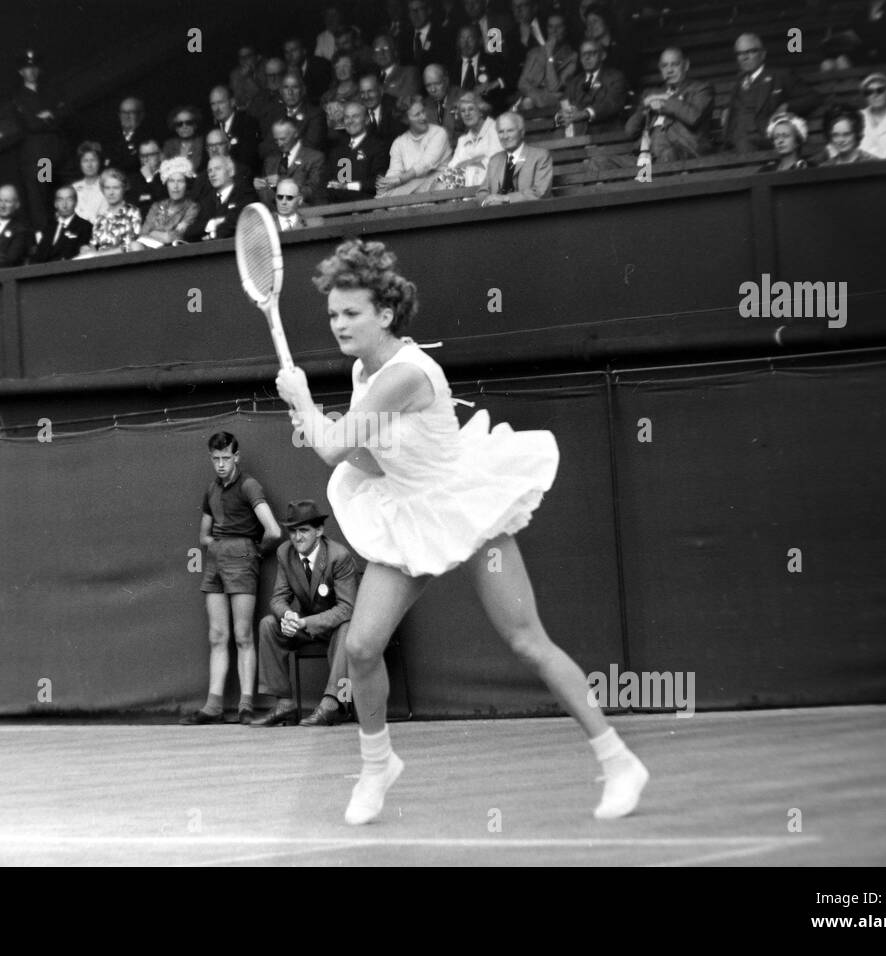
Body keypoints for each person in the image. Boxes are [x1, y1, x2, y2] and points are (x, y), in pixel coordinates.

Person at [275, 239, 649, 825]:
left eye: (352, 313)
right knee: (362, 646)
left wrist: (304, 404)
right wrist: (317, 422)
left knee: (527, 641)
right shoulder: (361, 371)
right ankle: (377, 765)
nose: (340, 324)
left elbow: (332, 449)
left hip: (463, 511)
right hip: (408, 512)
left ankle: (618, 758)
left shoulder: (404, 374)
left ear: (385, 315)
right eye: (332, 314)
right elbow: (368, 459)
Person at [184, 432, 284, 725]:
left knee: (243, 635)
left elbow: (274, 531)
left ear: (236, 457)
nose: (220, 464)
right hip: (215, 562)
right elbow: (203, 534)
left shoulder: (249, 485)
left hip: (242, 559)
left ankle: (246, 705)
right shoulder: (211, 489)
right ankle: (213, 707)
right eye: (215, 459)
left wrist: (252, 551)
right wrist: (215, 546)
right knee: (217, 635)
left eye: (226, 458)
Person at [252, 500, 358, 727]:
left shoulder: (339, 556)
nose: (297, 537)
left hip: (336, 631)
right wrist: (288, 615)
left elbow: (347, 608)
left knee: (348, 627)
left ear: (319, 531)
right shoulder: (284, 552)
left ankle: (336, 703)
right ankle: (284, 704)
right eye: (292, 531)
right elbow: (279, 598)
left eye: (304, 531)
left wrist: (303, 622)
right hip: (305, 627)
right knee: (269, 624)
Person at [722, 33, 820, 152]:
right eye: (740, 53)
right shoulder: (737, 83)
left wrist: (786, 107)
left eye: (750, 52)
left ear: (762, 54)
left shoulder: (780, 76)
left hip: (764, 140)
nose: (744, 57)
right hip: (734, 143)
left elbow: (812, 98)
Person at [622, 47, 713, 164]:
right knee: (599, 163)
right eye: (664, 66)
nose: (669, 70)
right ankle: (645, 175)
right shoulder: (651, 94)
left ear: (686, 65)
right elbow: (630, 131)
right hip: (646, 157)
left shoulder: (701, 89)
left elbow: (693, 117)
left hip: (682, 154)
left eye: (674, 64)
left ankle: (647, 177)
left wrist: (666, 99)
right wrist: (645, 107)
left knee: (667, 155)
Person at [11, 49, 69, 225]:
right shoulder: (19, 97)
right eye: (27, 68)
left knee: (60, 194)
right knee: (43, 195)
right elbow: (31, 124)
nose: (32, 71)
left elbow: (64, 114)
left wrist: (48, 116)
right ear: (21, 72)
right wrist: (49, 117)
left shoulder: (49, 92)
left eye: (34, 67)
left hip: (57, 154)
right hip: (42, 158)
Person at [377, 94, 452, 196]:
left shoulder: (439, 133)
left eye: (423, 111)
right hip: (411, 189)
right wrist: (386, 184)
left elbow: (426, 164)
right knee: (385, 194)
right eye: (417, 115)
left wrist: (400, 179)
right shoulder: (399, 143)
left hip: (437, 187)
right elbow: (394, 172)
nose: (423, 117)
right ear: (405, 120)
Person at [476, 111, 551, 205]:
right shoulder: (495, 160)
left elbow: (540, 192)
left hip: (531, 214)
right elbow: (482, 192)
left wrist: (505, 198)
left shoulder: (540, 156)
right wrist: (486, 202)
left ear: (522, 132)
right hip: (497, 215)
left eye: (510, 131)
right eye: (501, 132)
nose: (505, 136)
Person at [555, 40, 628, 136]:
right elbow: (563, 105)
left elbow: (611, 104)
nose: (587, 58)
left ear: (603, 55)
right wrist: (560, 116)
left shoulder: (615, 77)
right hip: (576, 134)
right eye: (583, 55)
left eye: (591, 53)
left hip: (605, 134)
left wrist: (585, 113)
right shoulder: (574, 82)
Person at [324, 101, 391, 201]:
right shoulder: (336, 149)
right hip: (336, 208)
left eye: (355, 116)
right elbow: (326, 181)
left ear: (367, 120)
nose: (350, 121)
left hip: (365, 207)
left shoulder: (379, 147)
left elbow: (378, 182)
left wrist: (348, 186)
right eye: (347, 117)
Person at [515, 10, 578, 114]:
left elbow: (554, 87)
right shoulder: (534, 52)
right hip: (533, 100)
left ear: (565, 30)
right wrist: (539, 98)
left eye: (559, 26)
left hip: (560, 104)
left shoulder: (572, 56)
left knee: (528, 102)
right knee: (527, 102)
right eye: (550, 27)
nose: (554, 31)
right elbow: (522, 83)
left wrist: (549, 55)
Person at [183, 156, 257, 242]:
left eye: (217, 169)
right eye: (209, 171)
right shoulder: (205, 201)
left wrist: (211, 234)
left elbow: (240, 223)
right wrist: (211, 224)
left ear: (231, 171)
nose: (212, 174)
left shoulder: (246, 194)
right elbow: (189, 232)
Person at [256, 119, 325, 207]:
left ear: (295, 134)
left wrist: (282, 183)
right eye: (276, 140)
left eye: (283, 139)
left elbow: (314, 190)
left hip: (305, 213)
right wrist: (259, 187)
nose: (279, 144)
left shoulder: (315, 158)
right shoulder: (270, 160)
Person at [437, 90, 500, 187]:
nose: (467, 113)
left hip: (489, 182)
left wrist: (465, 163)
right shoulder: (462, 140)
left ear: (481, 111)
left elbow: (495, 160)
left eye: (471, 109)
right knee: (440, 181)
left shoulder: (495, 130)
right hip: (464, 184)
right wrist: (476, 160)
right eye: (463, 111)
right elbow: (453, 167)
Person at [79, 168, 143, 256]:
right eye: (107, 188)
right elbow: (94, 244)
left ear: (124, 189)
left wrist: (100, 254)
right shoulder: (100, 217)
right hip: (100, 264)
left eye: (116, 188)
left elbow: (130, 246)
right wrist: (88, 249)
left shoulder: (133, 212)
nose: (111, 192)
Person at [138, 157, 200, 247]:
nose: (175, 186)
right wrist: (162, 235)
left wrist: (153, 233)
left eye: (180, 181)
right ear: (166, 184)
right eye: (171, 181)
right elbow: (143, 233)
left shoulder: (192, 207)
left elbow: (174, 236)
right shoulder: (156, 206)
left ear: (187, 184)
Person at [31, 185, 93, 264]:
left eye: (69, 199)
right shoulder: (48, 228)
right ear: (55, 204)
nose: (64, 204)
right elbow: (39, 256)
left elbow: (81, 257)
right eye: (60, 200)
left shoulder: (85, 226)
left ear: (75, 202)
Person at [0, 184, 33, 267]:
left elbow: (11, 259)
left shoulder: (21, 231)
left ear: (17, 205)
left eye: (8, 202)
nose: (3, 206)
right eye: (0, 201)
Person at [71, 142, 111, 225]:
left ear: (99, 162)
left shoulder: (108, 186)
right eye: (85, 161)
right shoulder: (73, 188)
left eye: (93, 160)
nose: (89, 165)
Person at [372, 34, 420, 101]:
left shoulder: (409, 72)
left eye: (386, 48)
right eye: (377, 50)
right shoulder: (372, 78)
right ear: (373, 56)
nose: (381, 53)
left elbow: (406, 101)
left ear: (395, 52)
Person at [163, 106, 207, 175]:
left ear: (195, 125)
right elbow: (165, 169)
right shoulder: (169, 145)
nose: (184, 126)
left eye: (189, 123)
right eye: (179, 124)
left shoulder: (202, 143)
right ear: (175, 128)